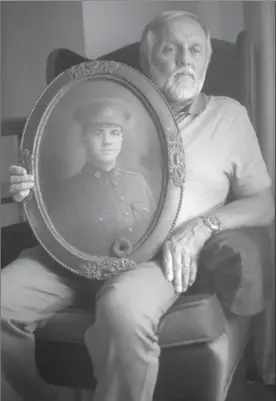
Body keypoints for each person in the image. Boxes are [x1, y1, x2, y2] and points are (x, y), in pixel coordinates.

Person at [2, 10, 274, 401]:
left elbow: (265, 202)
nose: (185, 59)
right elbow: (70, 179)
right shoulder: (111, 111)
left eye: (195, 50)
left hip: (155, 260)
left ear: (207, 60)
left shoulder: (230, 117)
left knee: (122, 314)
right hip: (69, 251)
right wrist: (32, 187)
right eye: (171, 49)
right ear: (147, 62)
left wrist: (204, 227)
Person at [49, 98, 155, 256]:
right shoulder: (69, 192)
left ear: (121, 139)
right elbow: (65, 252)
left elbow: (154, 233)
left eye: (114, 133)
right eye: (98, 133)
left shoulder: (138, 182)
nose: (107, 142)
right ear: (83, 138)